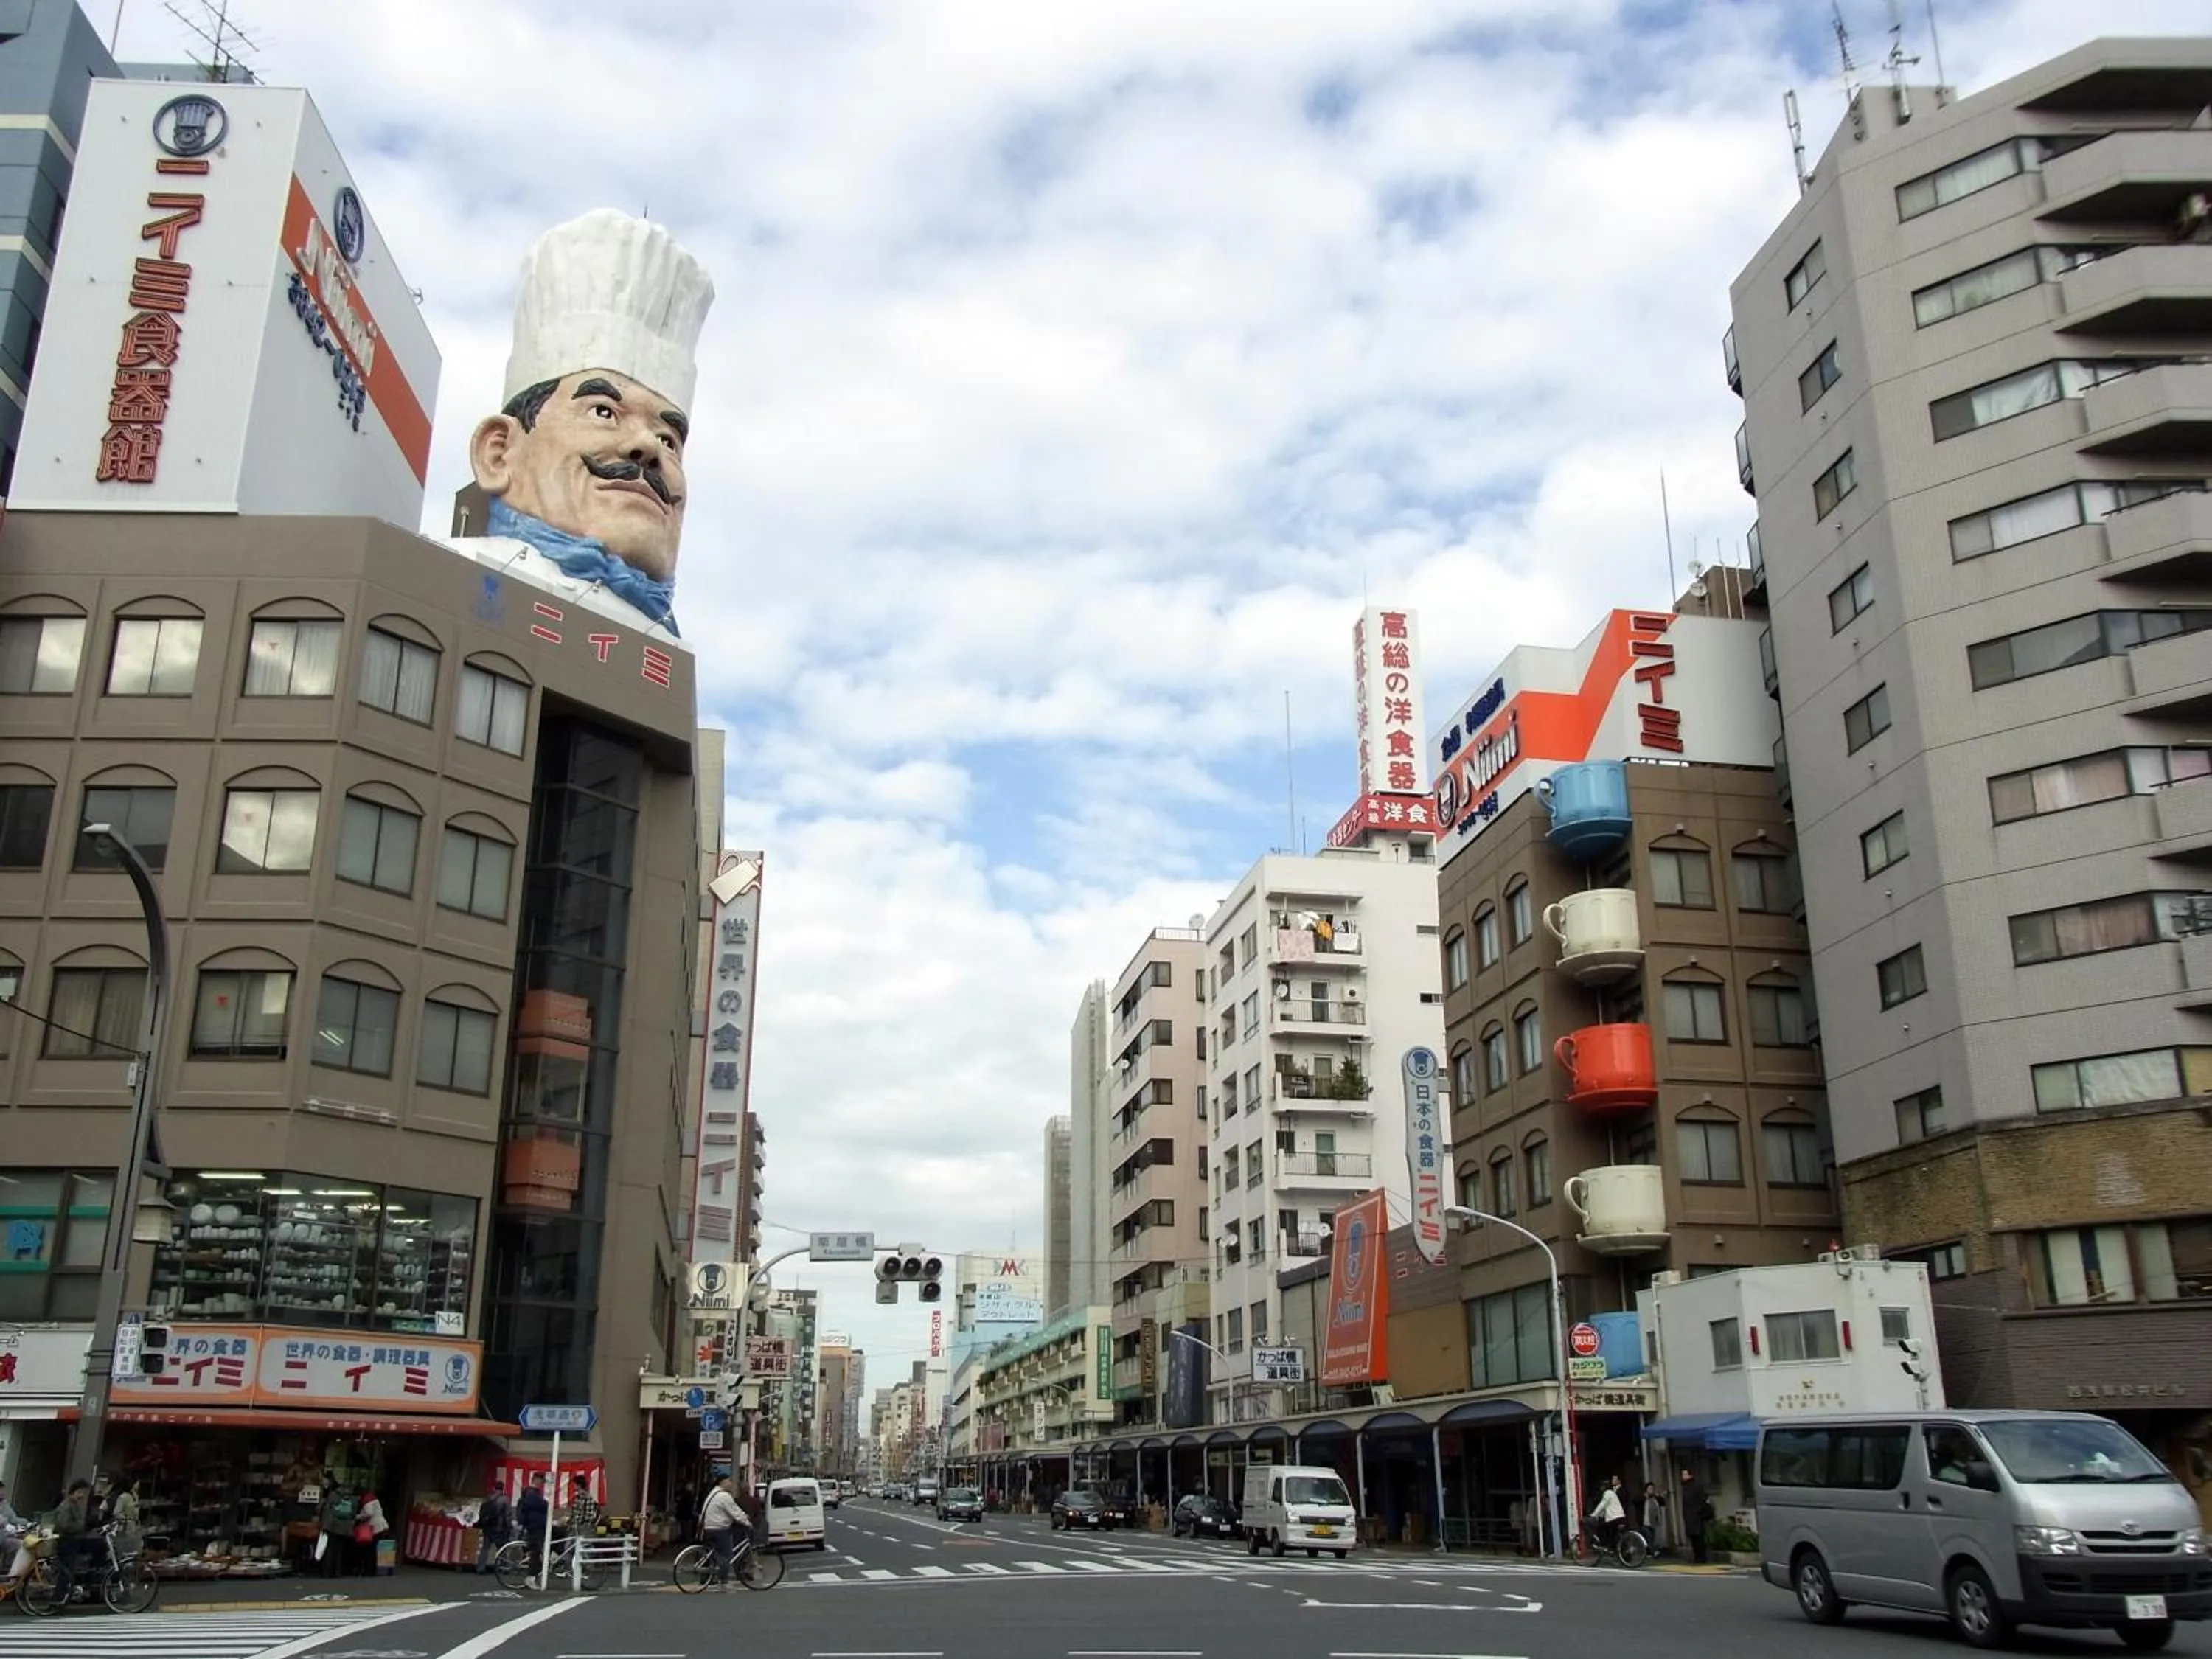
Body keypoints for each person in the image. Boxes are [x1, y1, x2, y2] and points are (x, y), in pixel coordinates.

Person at [454, 212, 715, 636]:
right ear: (499, 452)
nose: (648, 446)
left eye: (670, 440)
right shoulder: (443, 585)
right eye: (604, 412)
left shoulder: (664, 652)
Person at [52, 1479, 99, 1594]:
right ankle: (58, 1598)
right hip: (68, 1541)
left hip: (74, 1540)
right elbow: (64, 1526)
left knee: (99, 1546)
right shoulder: (66, 1506)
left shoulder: (74, 1505)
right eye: (81, 1493)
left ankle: (89, 1579)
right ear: (74, 1492)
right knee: (66, 1571)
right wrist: (82, 1526)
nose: (82, 1496)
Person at [699, 1477, 743, 1585]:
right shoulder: (724, 1496)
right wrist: (747, 1522)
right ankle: (723, 1578)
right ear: (722, 1483)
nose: (731, 1484)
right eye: (729, 1481)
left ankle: (706, 1577)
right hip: (719, 1529)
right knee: (726, 1554)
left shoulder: (713, 1493)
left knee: (711, 1553)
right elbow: (736, 1512)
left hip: (708, 1527)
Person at [318, 1481, 356, 1579]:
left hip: (332, 1526)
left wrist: (325, 1525)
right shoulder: (353, 1498)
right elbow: (353, 1513)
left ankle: (327, 1572)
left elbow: (327, 1510)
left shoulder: (333, 1495)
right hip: (345, 1527)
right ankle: (337, 1572)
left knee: (329, 1549)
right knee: (339, 1551)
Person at [515, 1475, 551, 1576]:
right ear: (537, 1481)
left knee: (536, 1550)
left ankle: (538, 1570)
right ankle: (531, 1577)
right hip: (535, 1526)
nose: (542, 1484)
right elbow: (543, 1506)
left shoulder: (529, 1493)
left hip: (533, 1526)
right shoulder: (532, 1494)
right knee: (535, 1551)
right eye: (542, 1481)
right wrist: (547, 1504)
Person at [475, 1481, 513, 1574]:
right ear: (503, 1488)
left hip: (487, 1528)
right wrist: (509, 1526)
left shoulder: (488, 1499)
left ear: (494, 1488)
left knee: (485, 1548)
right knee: (501, 1548)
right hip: (499, 1528)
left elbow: (481, 1512)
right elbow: (507, 1515)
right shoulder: (505, 1500)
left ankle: (481, 1567)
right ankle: (504, 1567)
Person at [0, 1480, 30, 1586]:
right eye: (1, 1490)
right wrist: (5, 1524)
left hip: (5, 1536)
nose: (3, 1492)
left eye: (3, 1490)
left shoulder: (4, 1503)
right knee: (15, 1544)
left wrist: (27, 1523)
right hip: (2, 1535)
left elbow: (13, 1518)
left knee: (21, 1544)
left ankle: (10, 1571)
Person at [1680, 1467, 1713, 1565]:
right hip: (1690, 1515)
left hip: (1696, 1516)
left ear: (1690, 1475)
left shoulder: (1697, 1486)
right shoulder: (1685, 1487)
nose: (1683, 1476)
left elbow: (1701, 1501)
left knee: (1699, 1537)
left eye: (1684, 1474)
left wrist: (1698, 1512)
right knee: (1693, 1538)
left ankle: (1701, 1557)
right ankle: (1697, 1556)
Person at [354, 1487, 388, 1576]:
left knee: (370, 1550)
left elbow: (369, 1513)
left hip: (375, 1527)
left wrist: (357, 1517)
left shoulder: (367, 1500)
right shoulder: (373, 1498)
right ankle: (372, 1570)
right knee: (373, 1550)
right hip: (380, 1525)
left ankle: (370, 1571)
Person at [1589, 1475, 1627, 1554]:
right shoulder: (1612, 1493)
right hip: (1620, 1517)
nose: (1601, 1488)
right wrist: (1599, 1515)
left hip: (1615, 1518)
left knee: (1602, 1527)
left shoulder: (1608, 1493)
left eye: (1602, 1486)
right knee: (1615, 1535)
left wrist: (1594, 1515)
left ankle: (1606, 1546)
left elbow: (1602, 1505)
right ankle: (1616, 1551)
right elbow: (1605, 1509)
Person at [1640, 1481, 1666, 1554]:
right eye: (1650, 1489)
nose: (1651, 1490)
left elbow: (1663, 1503)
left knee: (1653, 1538)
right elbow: (1635, 1501)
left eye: (1652, 1489)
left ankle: (1651, 1551)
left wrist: (1658, 1496)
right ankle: (1653, 1552)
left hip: (1654, 1522)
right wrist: (1644, 1497)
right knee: (1649, 1537)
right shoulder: (1643, 1498)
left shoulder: (1655, 1498)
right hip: (1645, 1522)